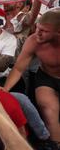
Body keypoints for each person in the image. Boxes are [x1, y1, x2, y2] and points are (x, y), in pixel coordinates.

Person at [4, 9, 60, 142]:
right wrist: (5, 90)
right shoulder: (34, 41)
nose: (38, 33)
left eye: (44, 31)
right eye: (37, 27)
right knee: (49, 109)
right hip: (46, 78)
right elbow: (18, 69)